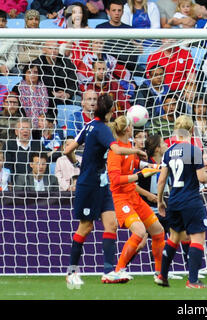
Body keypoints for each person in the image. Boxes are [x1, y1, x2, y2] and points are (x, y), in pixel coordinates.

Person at [63, 93, 147, 287]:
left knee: (111, 225)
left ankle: (109, 272)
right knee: (86, 227)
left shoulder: (89, 125)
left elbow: (68, 150)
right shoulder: (101, 129)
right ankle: (71, 272)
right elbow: (116, 150)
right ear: (110, 111)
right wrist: (135, 150)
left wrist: (77, 162)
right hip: (89, 186)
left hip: (102, 185)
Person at [155, 115, 207, 288]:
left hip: (174, 201)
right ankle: (193, 280)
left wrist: (159, 202)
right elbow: (201, 178)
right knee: (198, 238)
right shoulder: (193, 150)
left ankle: (162, 276)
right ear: (191, 131)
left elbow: (162, 180)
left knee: (174, 237)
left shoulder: (168, 152)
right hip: (191, 200)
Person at [107, 115, 165, 281]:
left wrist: (154, 167)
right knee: (139, 231)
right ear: (127, 129)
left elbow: (135, 163)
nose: (134, 129)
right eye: (132, 127)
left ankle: (159, 273)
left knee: (158, 231)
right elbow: (116, 180)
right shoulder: (115, 151)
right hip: (121, 198)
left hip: (133, 196)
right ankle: (118, 270)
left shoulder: (128, 147)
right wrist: (139, 176)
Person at [32, 40, 79, 110]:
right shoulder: (37, 64)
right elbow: (35, 84)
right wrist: (52, 94)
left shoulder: (66, 62)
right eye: (50, 48)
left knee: (77, 99)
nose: (53, 51)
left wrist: (67, 94)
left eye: (56, 48)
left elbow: (74, 83)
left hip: (65, 95)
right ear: (44, 50)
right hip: (45, 95)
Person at [14, 63, 50, 129]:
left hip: (44, 123)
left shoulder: (45, 88)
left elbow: (52, 106)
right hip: (24, 122)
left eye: (35, 72)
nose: (32, 74)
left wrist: (47, 120)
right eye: (29, 72)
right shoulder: (17, 88)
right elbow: (16, 107)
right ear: (24, 74)